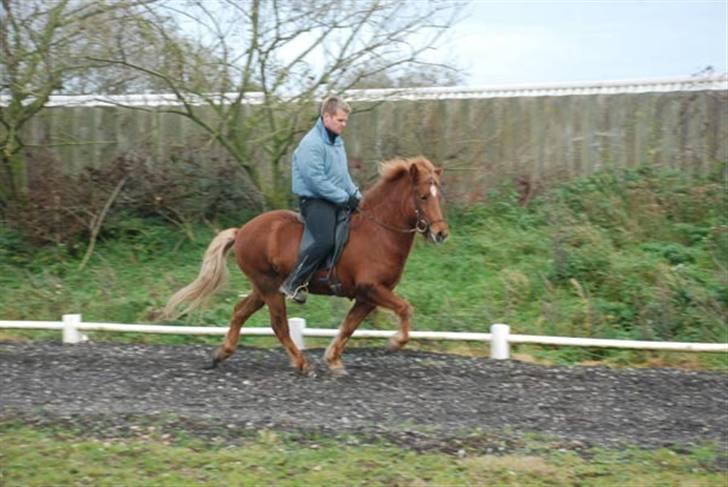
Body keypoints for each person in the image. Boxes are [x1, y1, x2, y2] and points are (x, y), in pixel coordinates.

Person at [279, 95, 362, 303]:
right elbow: (316, 180)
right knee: (325, 239)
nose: (344, 125)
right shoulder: (311, 144)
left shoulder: (337, 143)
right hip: (314, 201)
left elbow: (343, 177)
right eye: (340, 120)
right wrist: (344, 197)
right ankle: (294, 282)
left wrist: (358, 197)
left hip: (334, 199)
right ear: (327, 117)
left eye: (345, 121)